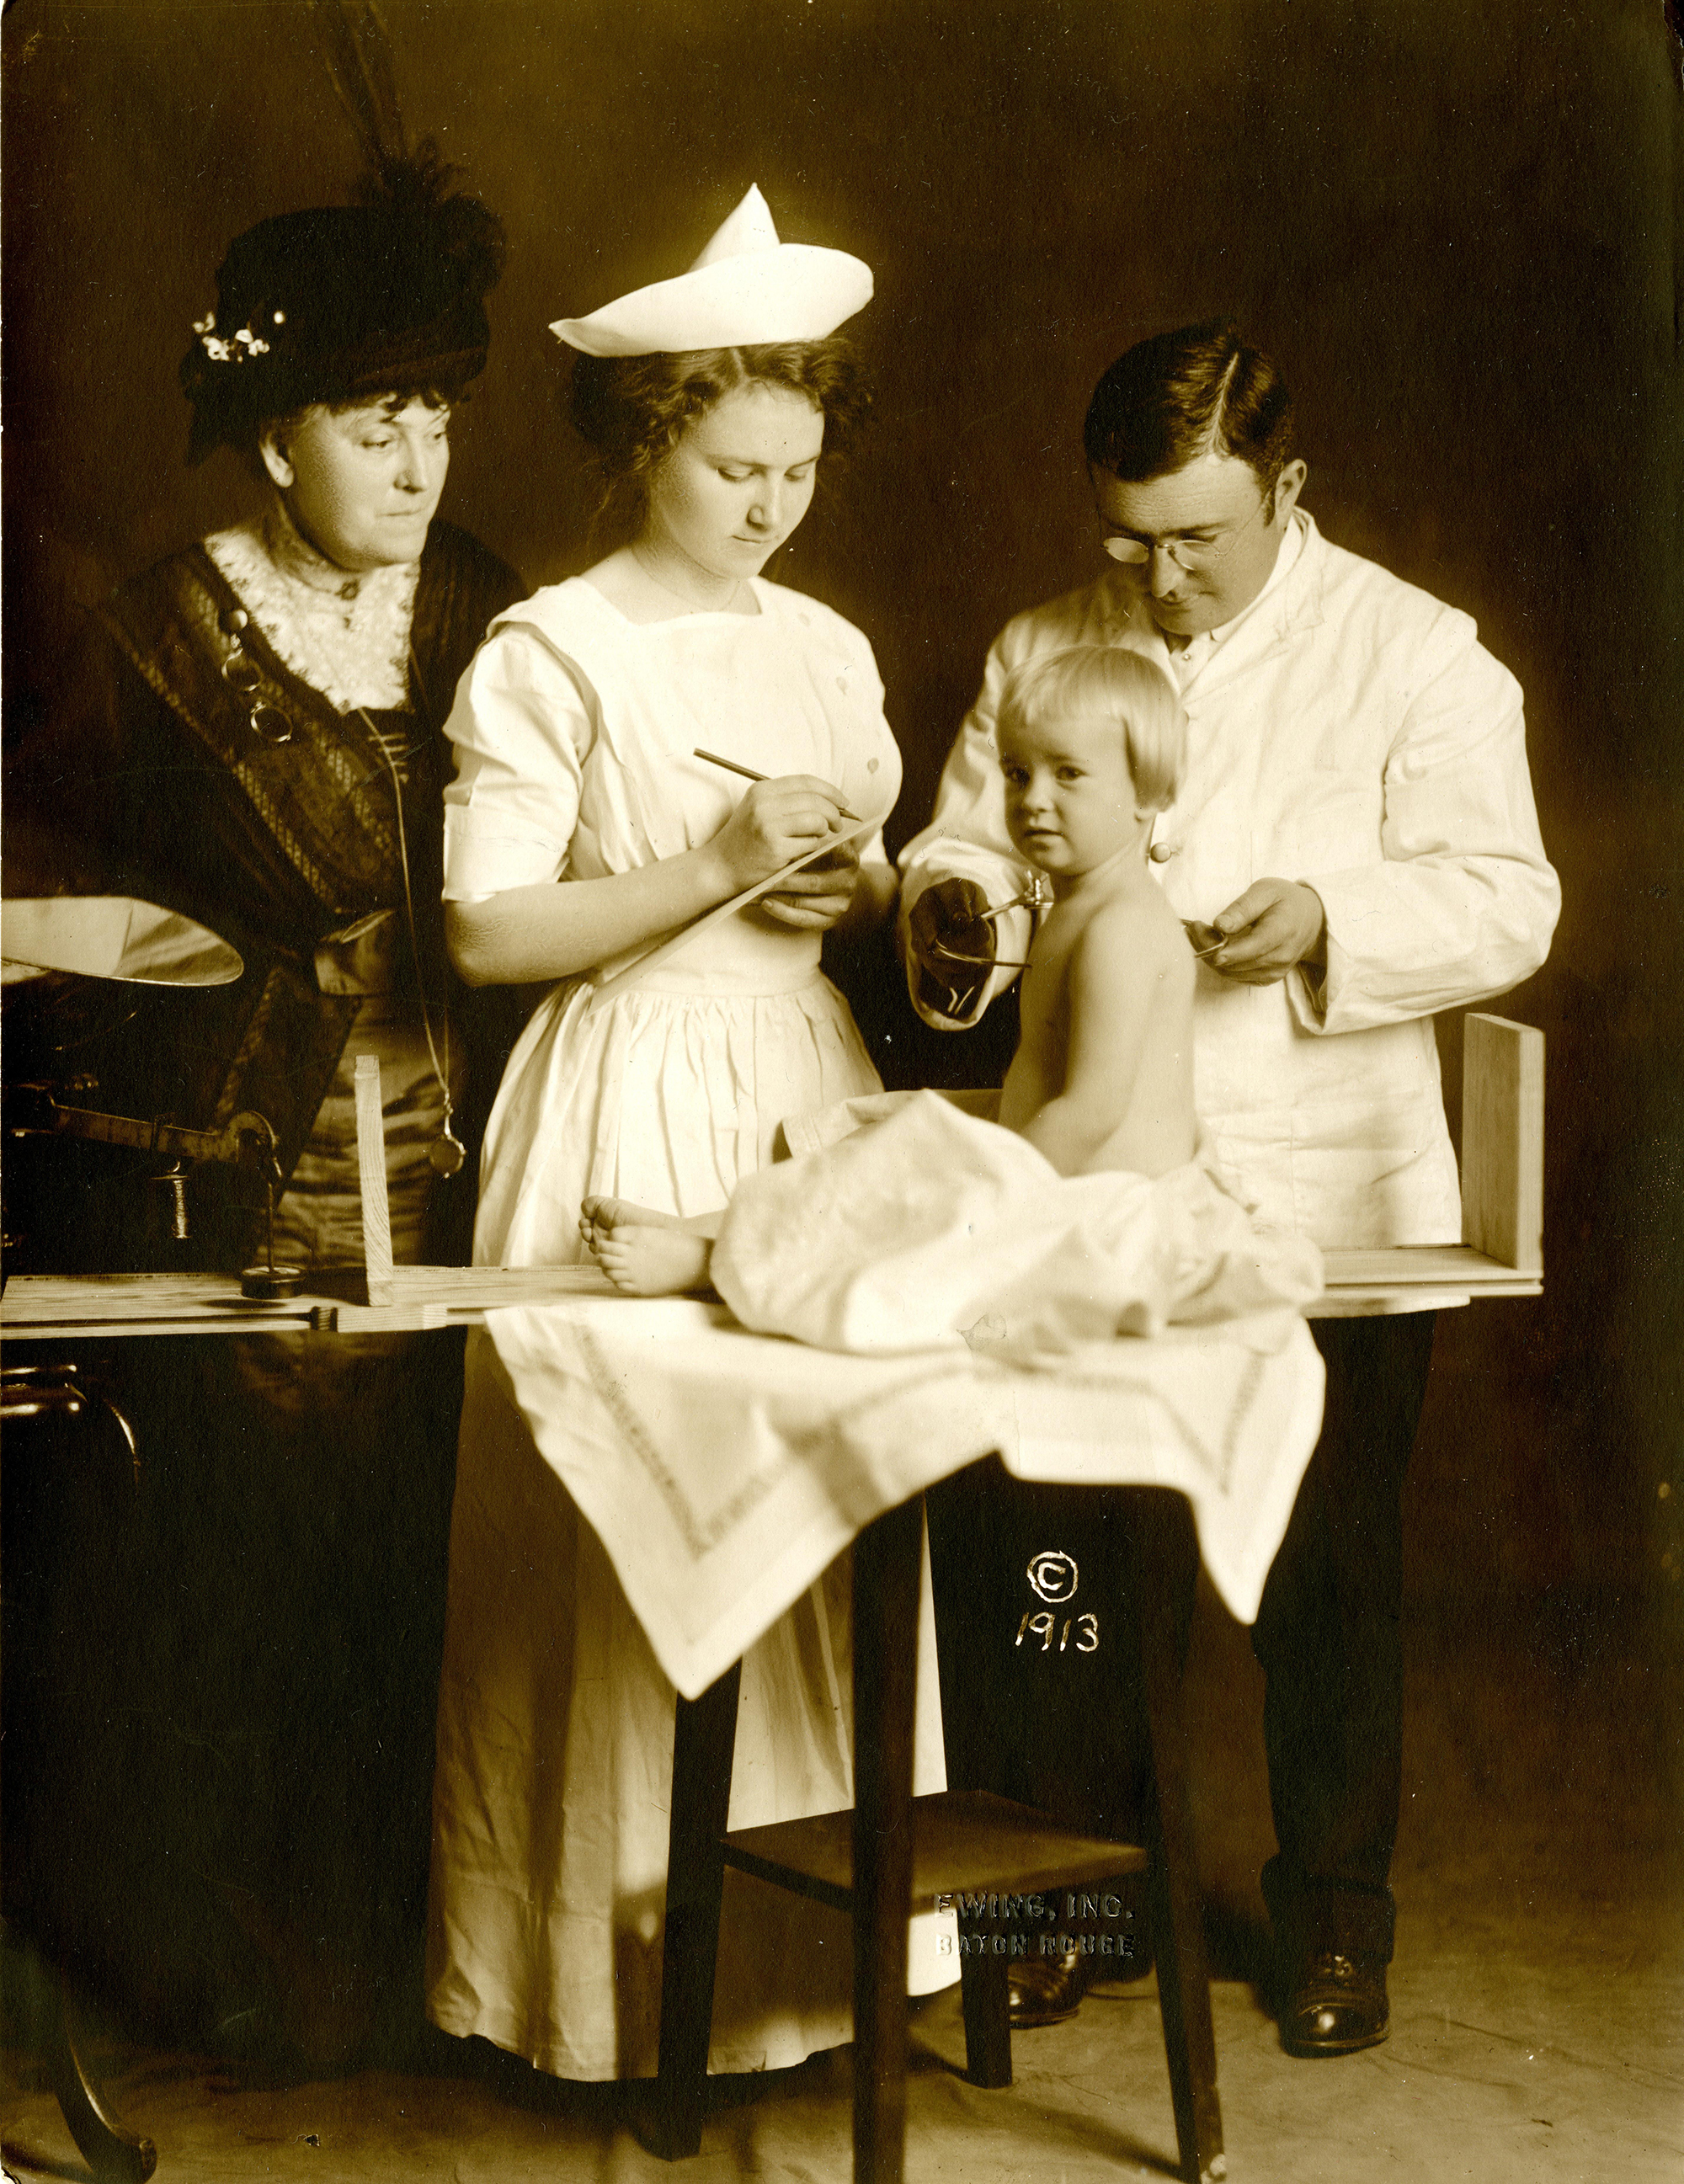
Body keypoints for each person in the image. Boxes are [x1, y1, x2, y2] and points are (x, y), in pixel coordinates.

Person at [899, 321, 1560, 2053]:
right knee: (1074, 1561)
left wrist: (1334, 919)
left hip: (1326, 1188)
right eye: (1129, 539)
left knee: (1318, 1570)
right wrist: (952, 907)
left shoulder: (1415, 656)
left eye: (1200, 536)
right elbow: (967, 836)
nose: (1161, 575)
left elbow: (1510, 894)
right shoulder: (1045, 643)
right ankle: (1078, 1904)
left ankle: (1335, 1919)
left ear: (1287, 486)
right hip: (1101, 1201)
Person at [4, 153, 525, 2061]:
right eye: (367, 421)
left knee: (414, 1558)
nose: (415, 460)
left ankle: (395, 1934)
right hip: (228, 1176)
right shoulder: (156, 639)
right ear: (269, 434)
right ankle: (193, 1937)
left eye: (435, 417)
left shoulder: (485, 605)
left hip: (459, 1151)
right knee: (223, 1561)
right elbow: (49, 886)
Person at [425, 187, 947, 2086]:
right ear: (650, 442)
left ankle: (804, 1988)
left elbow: (867, 882)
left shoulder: (823, 643)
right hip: (622, 1090)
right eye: (735, 466)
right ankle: (601, 1995)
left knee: (814, 1516)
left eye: (798, 469)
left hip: (797, 1088)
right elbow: (485, 931)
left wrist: (842, 890)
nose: (769, 507)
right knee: (614, 1544)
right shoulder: (549, 650)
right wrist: (709, 863)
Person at [581, 644, 1308, 1326]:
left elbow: (1092, 1108)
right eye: (1019, 773)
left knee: (904, 1192)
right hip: (1069, 1170)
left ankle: (717, 1260)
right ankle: (709, 1232)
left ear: (1152, 792)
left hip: (1108, 1207)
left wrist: (983, 1184)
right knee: (875, 1144)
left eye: (1069, 774)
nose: (1033, 800)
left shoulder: (1120, 928)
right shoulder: (1081, 903)